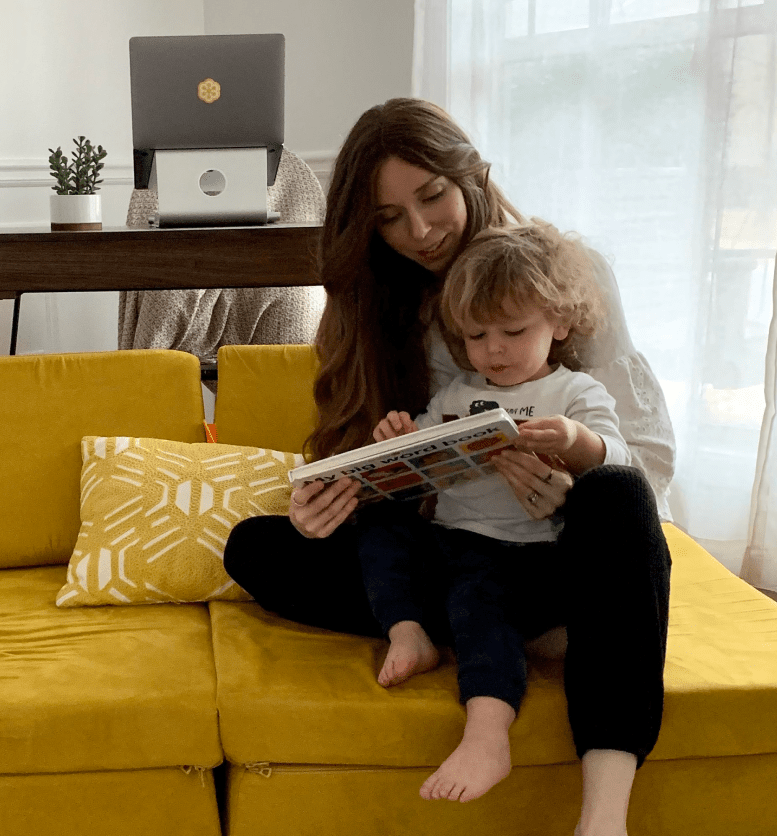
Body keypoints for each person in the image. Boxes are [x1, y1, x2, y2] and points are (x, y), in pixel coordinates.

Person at [222, 98, 673, 836]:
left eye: (431, 196)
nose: (421, 231)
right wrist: (335, 496)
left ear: (471, 176)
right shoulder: (377, 306)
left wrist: (570, 487)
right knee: (259, 546)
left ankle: (603, 816)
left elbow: (645, 462)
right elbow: (373, 465)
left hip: (559, 555)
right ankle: (491, 629)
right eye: (389, 218)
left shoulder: (564, 275)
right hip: (457, 549)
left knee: (617, 493)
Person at [359, 220, 627, 805]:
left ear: (559, 322)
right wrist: (396, 438)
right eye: (476, 336)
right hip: (451, 541)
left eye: (512, 330)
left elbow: (621, 463)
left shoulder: (575, 393)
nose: (493, 350)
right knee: (380, 525)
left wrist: (575, 441)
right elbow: (415, 460)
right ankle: (410, 635)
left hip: (527, 553)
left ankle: (486, 731)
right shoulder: (457, 395)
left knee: (478, 596)